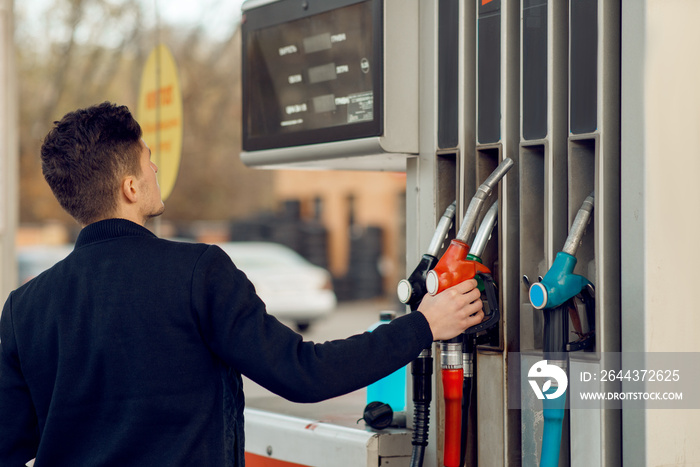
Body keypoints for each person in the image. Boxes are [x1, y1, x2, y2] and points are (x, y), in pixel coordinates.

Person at [0, 102, 484, 466]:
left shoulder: (25, 308)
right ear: (130, 187)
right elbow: (303, 373)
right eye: (148, 160)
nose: (154, 169)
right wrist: (424, 325)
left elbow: (10, 442)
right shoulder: (197, 272)